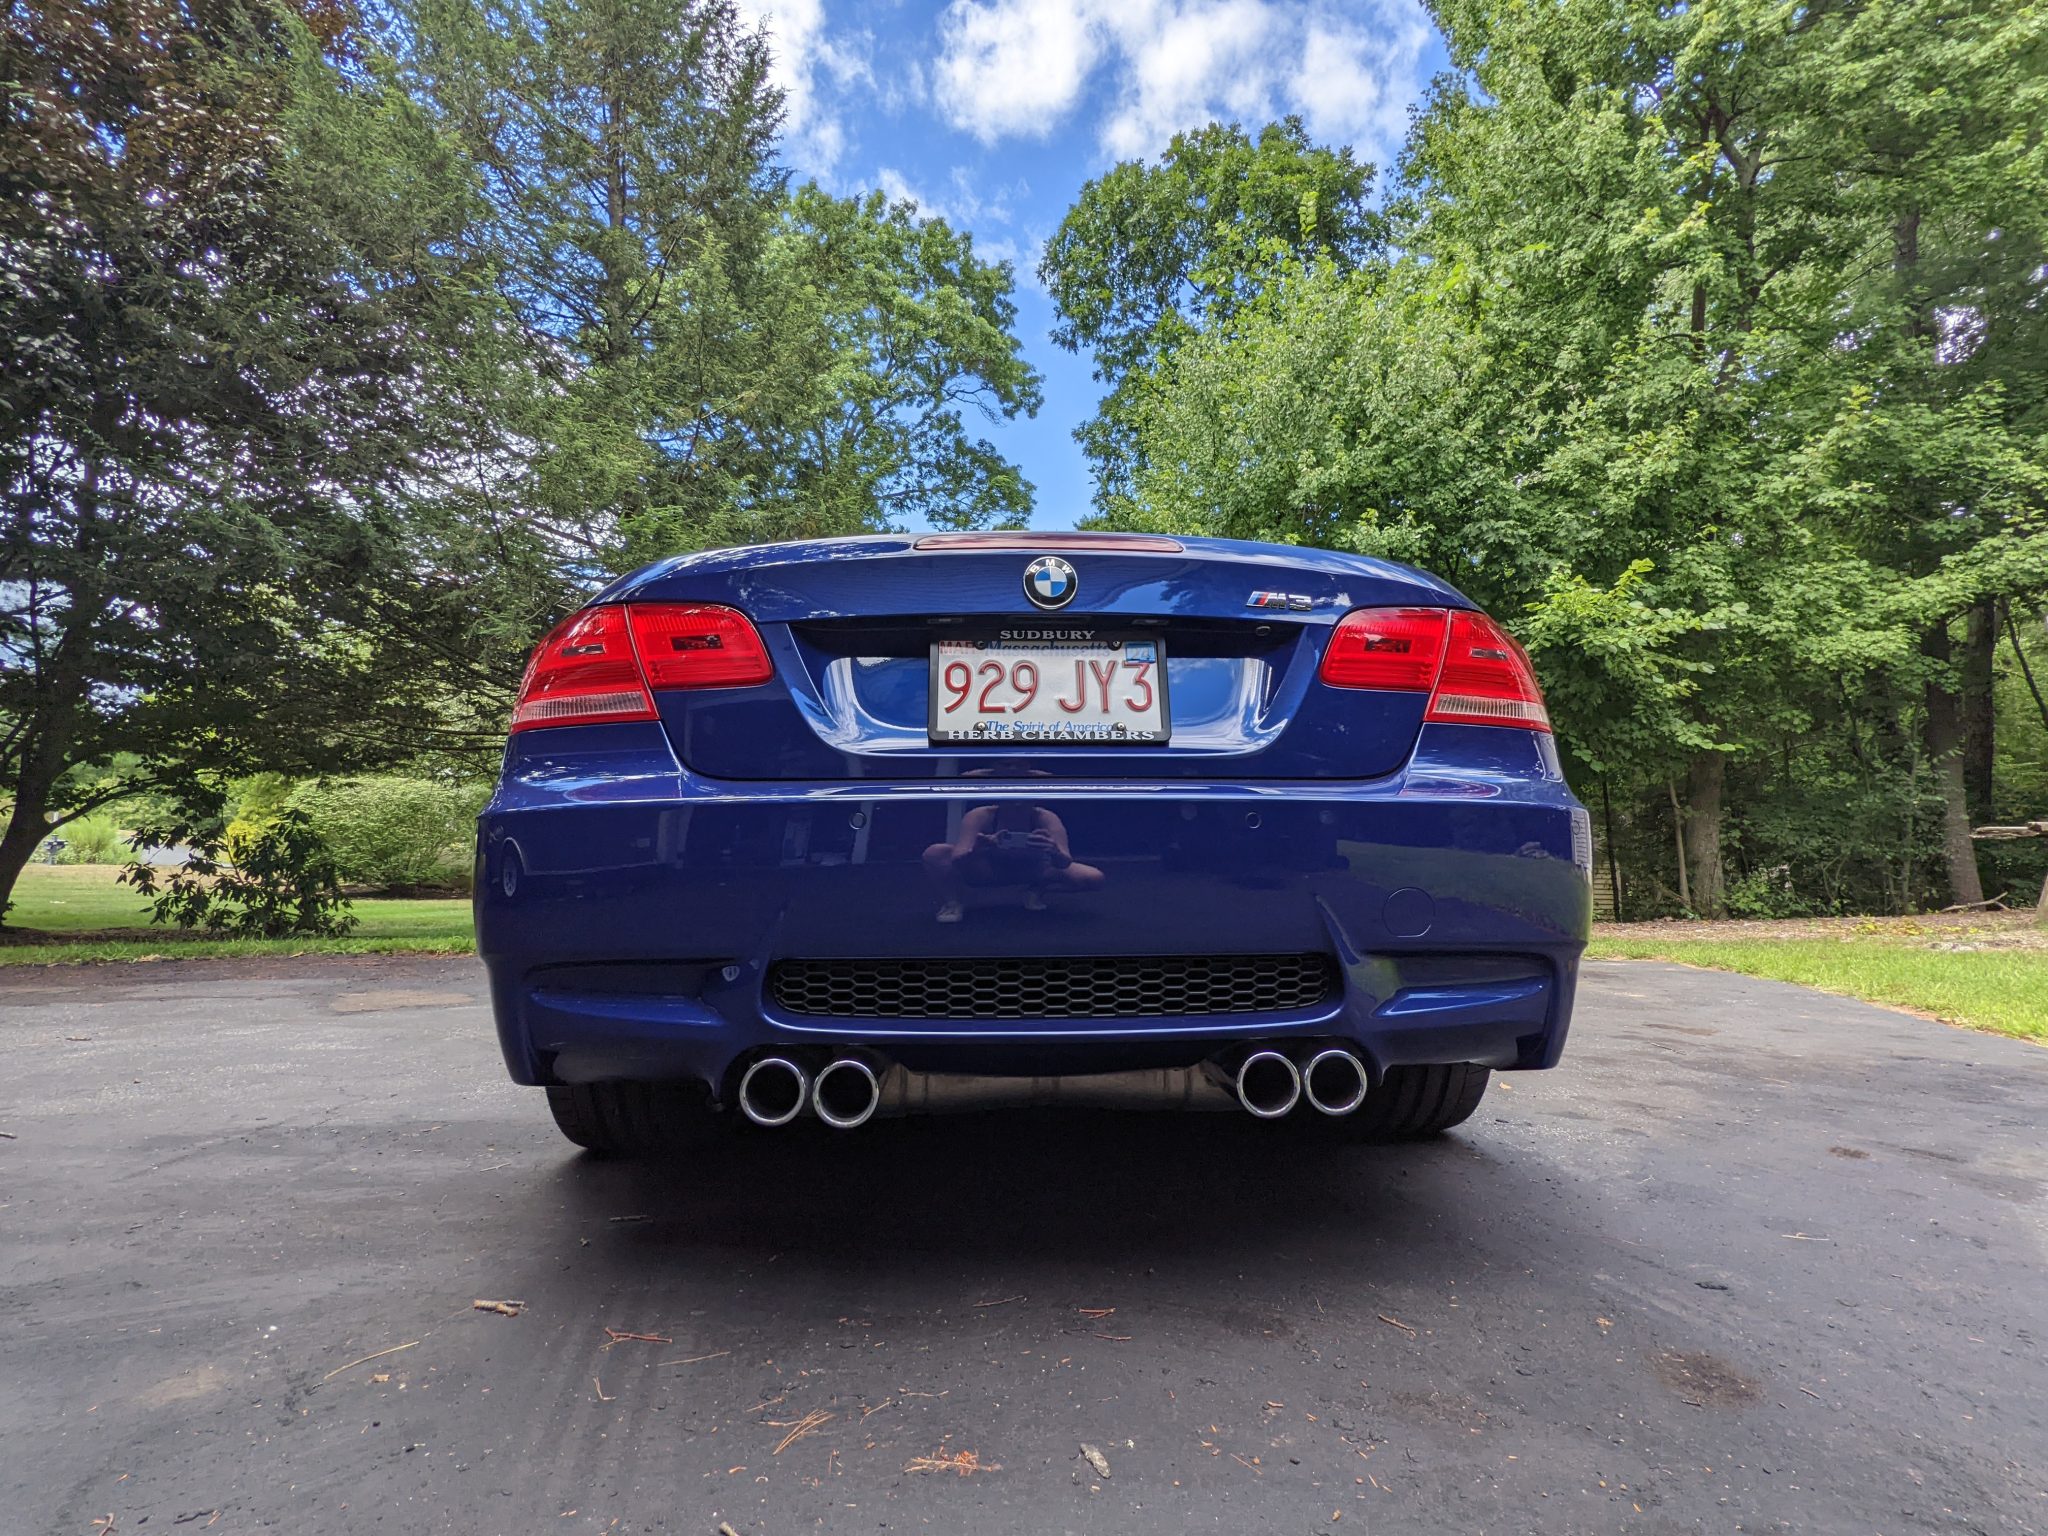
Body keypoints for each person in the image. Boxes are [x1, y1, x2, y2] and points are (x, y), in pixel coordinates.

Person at [921, 802, 1106, 923]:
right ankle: (952, 903)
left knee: (1093, 877)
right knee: (935, 853)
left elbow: (1064, 862)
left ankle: (1035, 890)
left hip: (1033, 870)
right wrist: (980, 847)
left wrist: (1054, 850)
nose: (1017, 802)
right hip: (989, 871)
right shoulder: (980, 815)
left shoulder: (1045, 817)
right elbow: (958, 859)